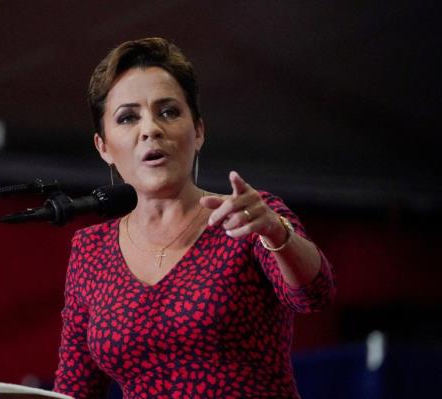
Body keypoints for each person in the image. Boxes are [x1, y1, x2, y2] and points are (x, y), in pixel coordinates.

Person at [53, 37, 335, 399]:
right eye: (128, 117)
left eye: (168, 111)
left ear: (198, 131)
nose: (150, 129)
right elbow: (75, 389)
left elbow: (315, 294)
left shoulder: (248, 216)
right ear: (103, 146)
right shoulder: (90, 251)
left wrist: (275, 233)